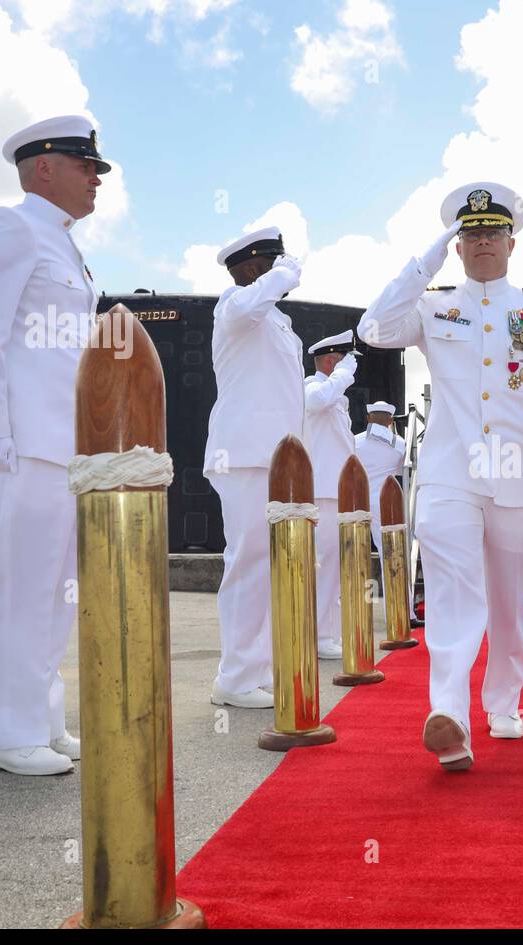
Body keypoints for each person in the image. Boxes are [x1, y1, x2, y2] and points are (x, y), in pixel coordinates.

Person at [357, 181, 523, 770]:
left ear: (512, 242)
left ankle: (505, 702)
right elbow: (374, 330)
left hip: (516, 473)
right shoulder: (433, 305)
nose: (483, 242)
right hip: (447, 471)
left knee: (509, 601)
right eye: (471, 234)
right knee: (453, 590)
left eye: (493, 233)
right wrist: (422, 263)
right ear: (457, 246)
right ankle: (450, 715)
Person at [0, 115, 110, 775]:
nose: (96, 179)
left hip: (67, 444)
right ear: (43, 166)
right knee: (20, 589)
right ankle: (8, 737)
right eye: (85, 166)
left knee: (55, 589)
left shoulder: (65, 246)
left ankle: (41, 721)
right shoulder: (10, 227)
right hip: (26, 442)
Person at [205, 227, 307, 709]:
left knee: (270, 566)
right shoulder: (234, 304)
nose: (283, 271)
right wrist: (283, 275)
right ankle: (236, 677)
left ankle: (255, 668)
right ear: (251, 268)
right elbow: (248, 307)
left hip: (280, 458)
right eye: (274, 263)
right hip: (244, 455)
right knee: (247, 562)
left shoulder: (279, 323)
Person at [303, 331, 360, 660]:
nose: (349, 370)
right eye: (342, 361)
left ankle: (326, 632)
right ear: (329, 361)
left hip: (337, 489)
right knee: (324, 565)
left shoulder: (335, 398)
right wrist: (341, 375)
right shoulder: (312, 387)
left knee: (333, 566)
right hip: (323, 490)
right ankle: (321, 635)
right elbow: (316, 400)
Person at [353, 400, 407, 584]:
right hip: (384, 502)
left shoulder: (354, 441)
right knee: (390, 554)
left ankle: (350, 605)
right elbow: (401, 471)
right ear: (391, 421)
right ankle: (402, 606)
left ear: (369, 418)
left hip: (357, 500)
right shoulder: (400, 444)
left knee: (351, 551)